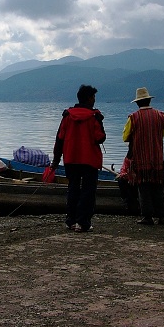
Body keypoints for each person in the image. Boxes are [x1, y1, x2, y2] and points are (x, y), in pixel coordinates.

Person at [51, 84, 106, 232]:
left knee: (73, 188)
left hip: (71, 158)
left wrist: (55, 161)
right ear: (88, 98)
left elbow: (60, 139)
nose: (94, 100)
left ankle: (71, 221)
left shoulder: (67, 115)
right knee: (88, 191)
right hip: (89, 160)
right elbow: (100, 138)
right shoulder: (94, 116)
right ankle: (83, 222)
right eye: (93, 97)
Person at [122, 87, 164, 225]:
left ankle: (147, 216)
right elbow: (162, 134)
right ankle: (162, 216)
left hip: (141, 159)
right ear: (149, 100)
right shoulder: (160, 116)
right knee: (158, 187)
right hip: (157, 159)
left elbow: (125, 137)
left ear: (137, 103)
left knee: (143, 188)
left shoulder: (133, 118)